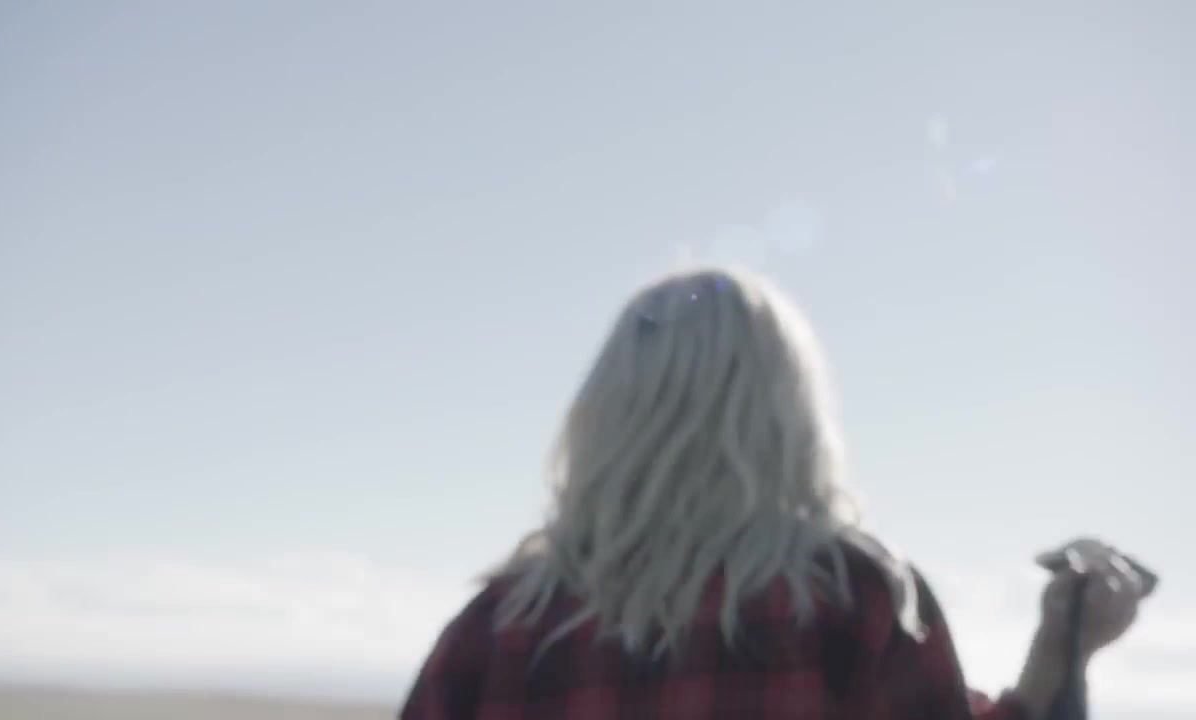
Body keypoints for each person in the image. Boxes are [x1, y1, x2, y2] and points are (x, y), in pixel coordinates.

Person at [400, 266, 1145, 720]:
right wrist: (1060, 654)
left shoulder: (495, 633)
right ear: (792, 419)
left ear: (601, 417)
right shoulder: (854, 603)